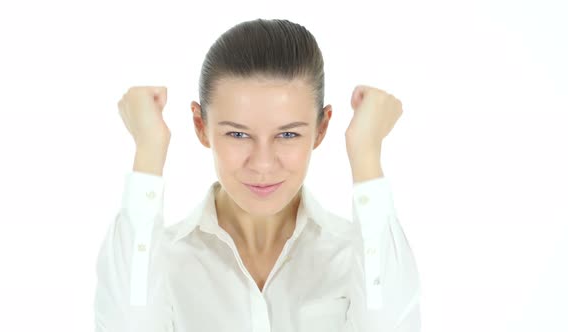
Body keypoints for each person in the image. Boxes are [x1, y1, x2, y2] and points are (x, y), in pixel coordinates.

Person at [94, 18, 421, 332]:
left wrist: (366, 155)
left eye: (288, 135)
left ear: (321, 129)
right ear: (201, 126)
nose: (263, 164)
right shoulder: (158, 259)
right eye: (237, 135)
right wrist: (148, 151)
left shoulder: (360, 255)